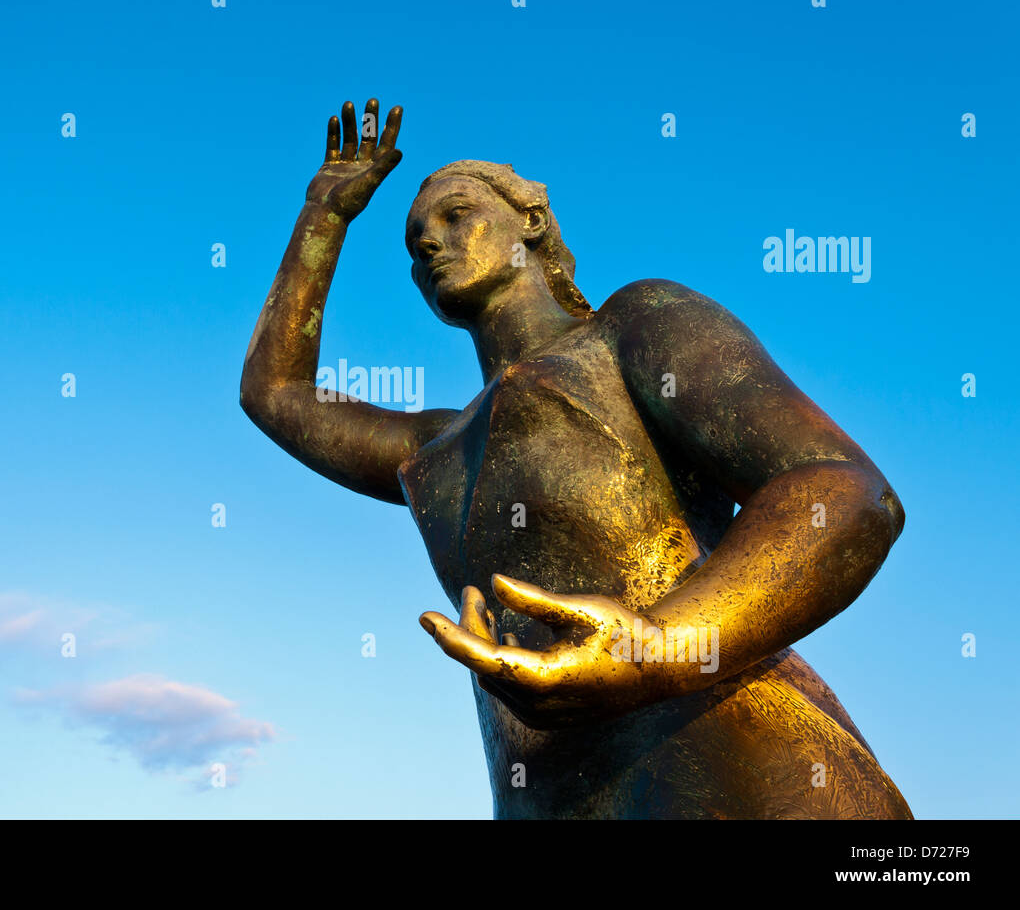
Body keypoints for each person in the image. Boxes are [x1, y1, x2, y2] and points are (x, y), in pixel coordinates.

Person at [240, 98, 912, 819]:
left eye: (456, 215)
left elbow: (842, 489)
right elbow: (274, 391)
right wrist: (324, 213)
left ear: (529, 221)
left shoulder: (632, 327)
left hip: (752, 780)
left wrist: (650, 649)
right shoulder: (436, 446)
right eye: (413, 243)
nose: (429, 244)